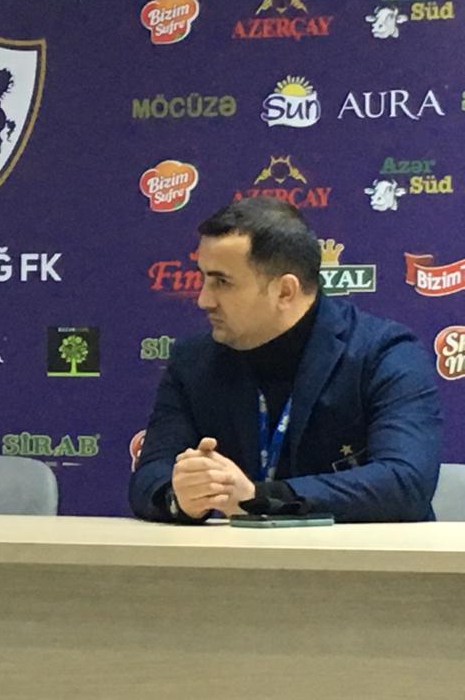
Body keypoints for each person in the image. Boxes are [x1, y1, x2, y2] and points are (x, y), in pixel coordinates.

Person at [129, 197, 442, 523]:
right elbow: (150, 474)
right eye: (204, 278)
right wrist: (181, 495)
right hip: (236, 555)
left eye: (222, 282)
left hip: (363, 555)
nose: (204, 300)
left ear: (285, 291)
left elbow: (405, 482)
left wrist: (261, 498)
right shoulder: (193, 361)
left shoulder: (384, 353)